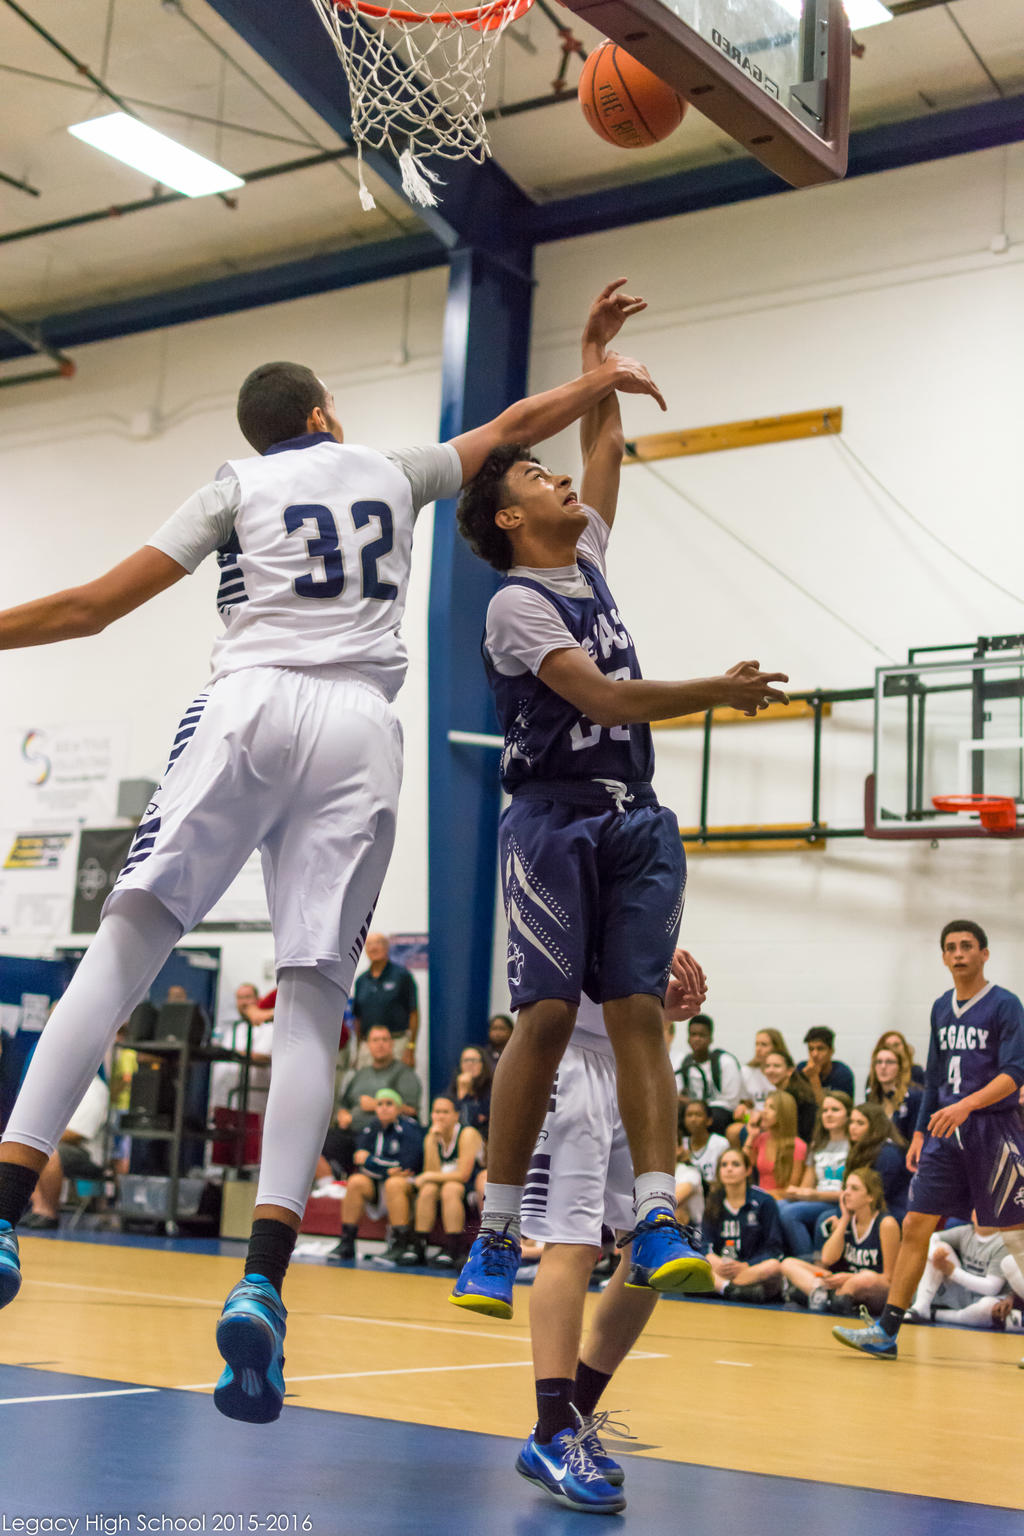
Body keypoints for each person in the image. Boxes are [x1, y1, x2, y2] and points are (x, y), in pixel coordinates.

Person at [0, 347, 661, 1406]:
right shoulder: (394, 468)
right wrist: (600, 381)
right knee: (312, 1003)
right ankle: (263, 1281)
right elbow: (513, 424)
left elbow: (90, 608)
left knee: (123, 949)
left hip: (249, 704)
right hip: (359, 729)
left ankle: (5, 1204)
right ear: (321, 415)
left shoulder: (233, 484)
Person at [449, 279, 788, 1318]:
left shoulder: (585, 554)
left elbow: (604, 449)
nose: (563, 480)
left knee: (640, 1009)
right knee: (548, 1014)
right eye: (537, 474)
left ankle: (656, 1214)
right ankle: (494, 1230)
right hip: (552, 815)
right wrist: (715, 690)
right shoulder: (514, 605)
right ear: (510, 517)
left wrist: (598, 359)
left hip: (629, 808)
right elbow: (601, 696)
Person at [515, 951, 707, 1513]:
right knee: (573, 1243)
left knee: (651, 1249)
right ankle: (551, 1431)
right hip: (569, 1054)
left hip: (638, 1057)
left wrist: (655, 1002)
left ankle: (572, 1417)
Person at [835, 919, 1024, 1359]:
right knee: (915, 1224)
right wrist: (920, 1131)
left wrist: (967, 1105)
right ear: (943, 957)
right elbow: (935, 1075)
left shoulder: (1005, 1005)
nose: (958, 953)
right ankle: (887, 1331)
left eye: (967, 946)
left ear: (984, 954)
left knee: (1015, 1233)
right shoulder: (941, 1007)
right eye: (951, 947)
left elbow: (1015, 1074)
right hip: (944, 1132)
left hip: (993, 1130)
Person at [782, 1168, 898, 1315]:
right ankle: (827, 1297)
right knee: (788, 1263)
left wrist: (850, 1278)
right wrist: (844, 1220)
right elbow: (827, 1259)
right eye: (846, 1187)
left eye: (854, 1188)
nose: (846, 1193)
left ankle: (825, 1297)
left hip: (873, 1287)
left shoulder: (886, 1224)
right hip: (845, 1282)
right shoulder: (846, 1221)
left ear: (871, 1196)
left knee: (866, 1277)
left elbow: (889, 1278)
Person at [319, 1022, 423, 1181]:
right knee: (322, 1139)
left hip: (383, 1133)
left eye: (384, 1040)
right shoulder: (361, 1074)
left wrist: (376, 1104)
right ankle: (330, 1182)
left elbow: (411, 1110)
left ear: (392, 1044)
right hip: (352, 1131)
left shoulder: (404, 1073)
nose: (380, 1044)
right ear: (368, 1045)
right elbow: (344, 1103)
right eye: (375, 1040)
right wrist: (343, 1114)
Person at [331, 1089, 424, 1263]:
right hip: (377, 1182)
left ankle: (400, 1244)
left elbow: (406, 1166)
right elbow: (359, 1159)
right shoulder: (371, 1127)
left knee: (394, 1183)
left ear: (399, 1108)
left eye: (389, 1104)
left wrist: (371, 1161)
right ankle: (347, 1242)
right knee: (356, 1181)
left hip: (406, 1185)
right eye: (380, 1104)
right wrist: (384, 1168)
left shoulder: (410, 1128)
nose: (384, 1108)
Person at [400, 1095, 484, 1270]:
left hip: (473, 1185)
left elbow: (464, 1175)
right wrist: (431, 1141)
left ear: (456, 1115)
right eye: (436, 1112)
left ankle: (453, 1247)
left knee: (450, 1189)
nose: (439, 1116)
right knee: (428, 1189)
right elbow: (432, 1171)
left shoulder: (467, 1134)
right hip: (447, 1184)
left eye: (445, 1112)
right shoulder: (432, 1136)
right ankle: (419, 1245)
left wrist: (428, 1176)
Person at [22, 1071, 110, 1230]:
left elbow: (78, 1134)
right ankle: (37, 1207)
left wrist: (42, 1135)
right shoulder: (66, 1086)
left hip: (87, 1154)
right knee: (28, 1148)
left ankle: (49, 1212)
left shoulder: (94, 1089)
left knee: (49, 1152)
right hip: (58, 1143)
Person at [701, 1148, 785, 1303]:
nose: (729, 1169)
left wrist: (746, 1265)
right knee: (697, 1264)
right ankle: (732, 1289)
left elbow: (774, 1248)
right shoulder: (713, 1200)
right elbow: (705, 1243)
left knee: (773, 1266)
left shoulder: (764, 1201)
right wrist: (717, 1262)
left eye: (735, 1164)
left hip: (750, 1269)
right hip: (722, 1268)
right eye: (724, 1165)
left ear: (748, 1170)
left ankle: (722, 1288)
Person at [775, 1091, 851, 1257]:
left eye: (835, 1110)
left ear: (848, 1115)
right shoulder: (817, 1144)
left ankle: (809, 1260)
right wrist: (797, 1192)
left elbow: (850, 1192)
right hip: (817, 1197)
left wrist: (815, 1195)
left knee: (790, 1214)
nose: (828, 1114)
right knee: (777, 1206)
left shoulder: (853, 1144)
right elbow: (807, 1184)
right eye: (825, 1110)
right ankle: (778, 1255)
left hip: (838, 1201)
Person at [904, 1215, 1012, 1329]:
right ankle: (921, 1306)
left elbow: (992, 1288)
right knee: (940, 1248)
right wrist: (938, 1258)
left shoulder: (1004, 1242)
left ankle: (934, 1314)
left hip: (988, 1298)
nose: (982, 1212)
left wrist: (952, 1271)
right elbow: (932, 1238)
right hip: (963, 1292)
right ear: (972, 1214)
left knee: (987, 1308)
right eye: (979, 1208)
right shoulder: (966, 1231)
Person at [352, 933, 418, 1068]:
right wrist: (358, 1049)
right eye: (369, 945)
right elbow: (357, 1019)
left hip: (397, 1044)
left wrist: (411, 1047)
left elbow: (414, 1014)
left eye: (378, 943)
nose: (373, 948)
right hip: (367, 1046)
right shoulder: (361, 980)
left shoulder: (402, 976)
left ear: (387, 947)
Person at [675, 1015, 744, 1135]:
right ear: (688, 1038)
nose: (697, 1039)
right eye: (693, 1035)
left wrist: (701, 1107)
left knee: (711, 1116)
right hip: (691, 1108)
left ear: (710, 1038)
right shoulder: (683, 1063)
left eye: (702, 1035)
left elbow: (731, 1102)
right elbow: (678, 1093)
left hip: (719, 1113)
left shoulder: (725, 1062)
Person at [845, 1101, 911, 1223]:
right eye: (851, 1122)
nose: (852, 1127)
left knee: (825, 1216)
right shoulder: (860, 1149)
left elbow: (879, 1192)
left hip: (891, 1210)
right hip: (866, 1206)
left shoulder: (888, 1152)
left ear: (875, 1127)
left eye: (860, 1123)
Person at [727, 1027, 790, 1145]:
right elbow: (746, 1104)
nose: (758, 1049)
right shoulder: (747, 1071)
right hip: (754, 1118)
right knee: (733, 1130)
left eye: (764, 1045)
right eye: (757, 1044)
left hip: (778, 1119)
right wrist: (742, 1109)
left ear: (776, 1047)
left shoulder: (782, 1072)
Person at [742, 1090, 807, 1196]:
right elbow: (742, 1167)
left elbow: (792, 1189)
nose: (764, 1112)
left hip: (781, 1200)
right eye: (765, 1106)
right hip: (761, 1197)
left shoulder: (798, 1146)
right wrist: (751, 1136)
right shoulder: (761, 1138)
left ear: (784, 1113)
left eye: (771, 1108)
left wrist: (764, 1196)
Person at [865, 1040, 923, 1144]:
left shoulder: (914, 1096)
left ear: (900, 1067)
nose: (883, 1067)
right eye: (878, 1062)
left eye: (889, 1062)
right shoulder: (871, 1093)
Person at [762, 1048, 817, 1144]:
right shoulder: (780, 1093)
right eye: (767, 1066)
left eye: (776, 1066)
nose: (771, 1070)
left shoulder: (796, 1096)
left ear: (790, 1071)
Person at [797, 1026, 855, 1106]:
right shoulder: (801, 1069)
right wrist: (801, 1080)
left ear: (831, 1051)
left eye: (820, 1049)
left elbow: (829, 1109)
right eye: (811, 1049)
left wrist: (813, 1077)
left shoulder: (842, 1074)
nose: (815, 1054)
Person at [448, 1045, 492, 1138]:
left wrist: (466, 1097)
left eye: (474, 1060)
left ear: (483, 1064)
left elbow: (471, 1123)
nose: (470, 1064)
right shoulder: (452, 1089)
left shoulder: (491, 1089)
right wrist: (461, 1092)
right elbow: (454, 1122)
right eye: (466, 1060)